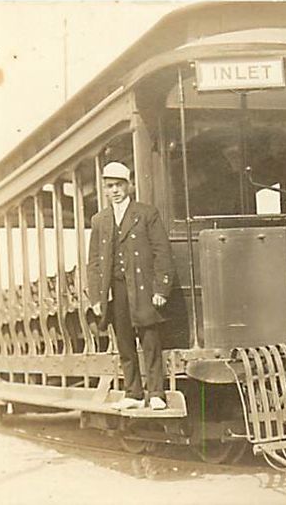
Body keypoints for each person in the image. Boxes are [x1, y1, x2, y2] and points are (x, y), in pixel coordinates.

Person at [87, 161, 175, 410]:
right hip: (116, 289)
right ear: (104, 189)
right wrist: (96, 297)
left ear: (129, 186)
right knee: (124, 341)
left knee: (149, 339)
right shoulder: (99, 220)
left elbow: (162, 253)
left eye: (119, 185)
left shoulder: (146, 213)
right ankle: (133, 393)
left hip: (143, 287)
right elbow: (93, 262)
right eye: (110, 186)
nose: (114, 190)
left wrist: (161, 289)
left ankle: (156, 393)